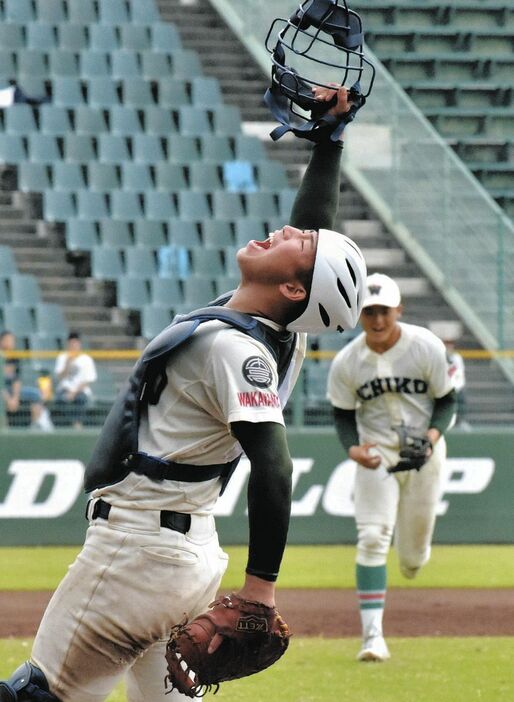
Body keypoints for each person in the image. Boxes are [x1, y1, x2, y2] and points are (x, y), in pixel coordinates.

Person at [0, 85, 367, 702]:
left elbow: (275, 468)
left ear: (296, 291)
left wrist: (262, 589)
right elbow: (315, 229)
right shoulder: (275, 335)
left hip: (135, 554)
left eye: (295, 245)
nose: (285, 230)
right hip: (184, 554)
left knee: (38, 696)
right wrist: (328, 140)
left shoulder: (236, 350)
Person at [327, 273, 457, 662]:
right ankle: (372, 638)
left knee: (413, 559)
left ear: (399, 310)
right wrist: (352, 450)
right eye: (369, 312)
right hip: (377, 454)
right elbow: (342, 414)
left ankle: (414, 556)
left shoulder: (426, 347)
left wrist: (432, 439)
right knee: (371, 537)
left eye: (384, 311)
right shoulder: (348, 361)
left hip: (425, 454)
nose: (378, 320)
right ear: (358, 315)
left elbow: (447, 401)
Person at [0, 330, 53, 431]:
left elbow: (16, 380)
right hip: (2, 391)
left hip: (11, 390)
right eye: (7, 340)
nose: (10, 343)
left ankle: (36, 426)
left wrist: (15, 397)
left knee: (35, 394)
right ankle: (3, 430)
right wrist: (8, 399)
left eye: (12, 340)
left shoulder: (14, 357)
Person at [54, 332, 97, 429]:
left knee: (81, 399)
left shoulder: (86, 359)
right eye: (71, 343)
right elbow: (59, 377)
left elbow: (88, 380)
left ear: (79, 344)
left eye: (75, 343)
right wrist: (67, 364)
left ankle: (77, 424)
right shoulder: (62, 357)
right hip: (65, 389)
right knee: (60, 399)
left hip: (80, 390)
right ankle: (72, 423)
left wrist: (74, 392)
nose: (73, 346)